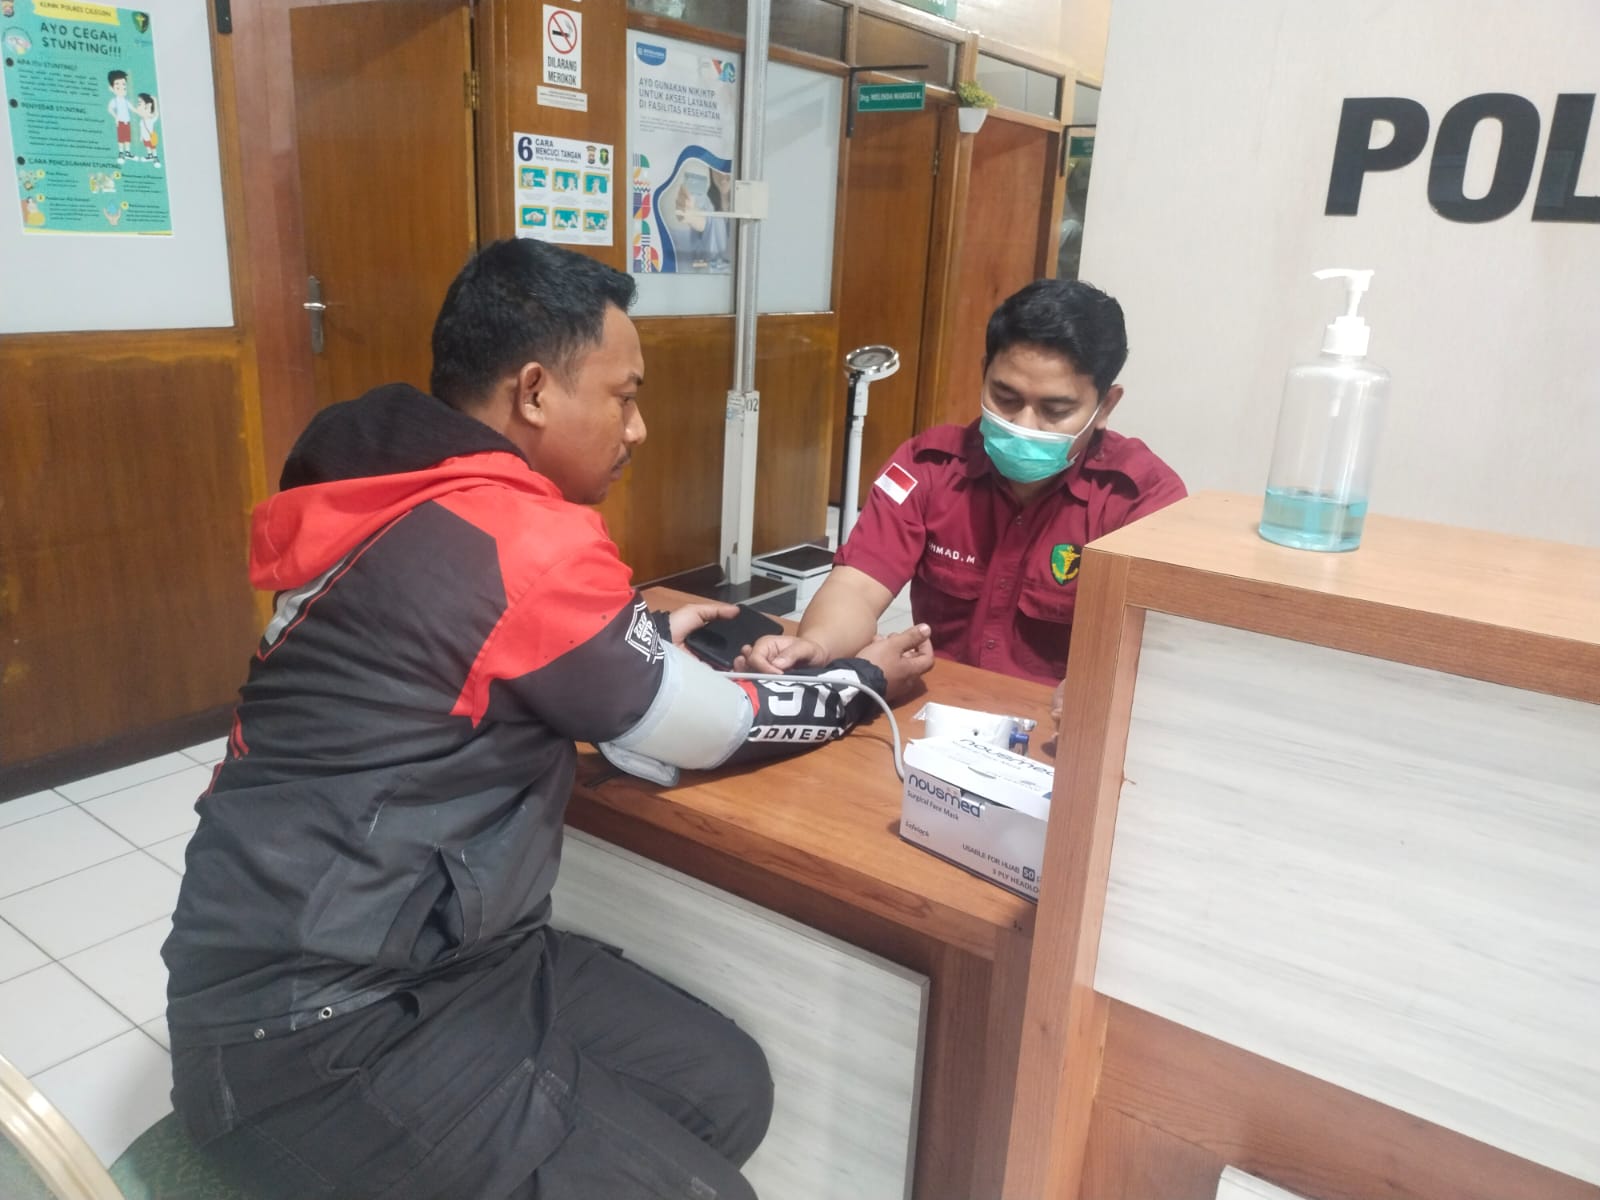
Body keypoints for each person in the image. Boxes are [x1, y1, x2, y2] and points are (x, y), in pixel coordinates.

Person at [162, 238, 932, 1200]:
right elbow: (707, 728)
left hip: (438, 961)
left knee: (722, 1085)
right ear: (533, 392)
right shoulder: (520, 538)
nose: (637, 427)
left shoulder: (392, 490)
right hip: (317, 1025)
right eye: (623, 396)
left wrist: (621, 639)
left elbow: (455, 644)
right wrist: (859, 679)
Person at [742, 278, 1185, 692]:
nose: (1023, 424)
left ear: (1105, 406)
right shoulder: (927, 467)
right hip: (935, 706)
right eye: (1005, 398)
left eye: (1055, 410)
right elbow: (857, 586)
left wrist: (1095, 694)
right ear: (984, 372)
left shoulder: (1143, 498)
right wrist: (817, 645)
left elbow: (1152, 647)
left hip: (1061, 721)